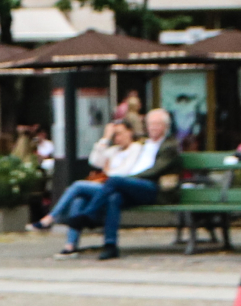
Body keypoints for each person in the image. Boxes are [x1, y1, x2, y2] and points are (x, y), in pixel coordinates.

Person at [55, 108, 177, 260]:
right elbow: (98, 160)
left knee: (114, 181)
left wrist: (129, 179)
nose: (153, 127)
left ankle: (89, 214)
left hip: (153, 189)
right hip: (133, 187)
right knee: (114, 197)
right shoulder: (143, 143)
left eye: (157, 124)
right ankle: (110, 245)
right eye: (150, 124)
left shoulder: (170, 146)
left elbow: (155, 171)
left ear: (165, 127)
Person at [35, 122, 131, 233]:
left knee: (77, 186)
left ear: (129, 132)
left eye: (119, 134)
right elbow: (95, 161)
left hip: (117, 188)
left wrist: (108, 172)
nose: (117, 138)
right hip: (104, 186)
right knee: (78, 200)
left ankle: (51, 217)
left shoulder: (135, 149)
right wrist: (105, 138)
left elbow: (124, 171)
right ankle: (70, 245)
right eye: (115, 135)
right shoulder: (114, 151)